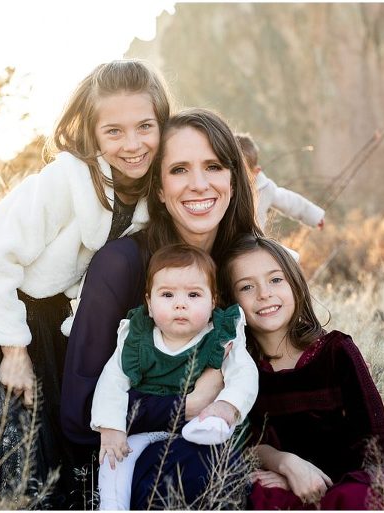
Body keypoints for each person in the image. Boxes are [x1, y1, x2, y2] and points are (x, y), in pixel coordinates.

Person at [0, 59, 172, 509]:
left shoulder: (152, 197)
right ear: (93, 134)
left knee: (48, 443)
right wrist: (13, 351)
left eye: (145, 127)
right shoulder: (67, 178)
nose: (132, 144)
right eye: (113, 131)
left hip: (43, 308)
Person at [61, 108, 263, 509]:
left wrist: (279, 458)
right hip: (129, 464)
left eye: (214, 166)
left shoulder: (250, 266)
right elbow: (79, 411)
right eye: (179, 170)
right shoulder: (121, 266)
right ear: (158, 187)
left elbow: (281, 372)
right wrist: (184, 407)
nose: (199, 184)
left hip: (231, 451)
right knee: (197, 467)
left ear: (234, 179)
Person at [221, 234, 384, 510]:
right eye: (247, 287)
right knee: (256, 496)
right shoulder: (242, 369)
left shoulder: (336, 352)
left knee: (357, 500)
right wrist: (288, 466)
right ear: (232, 302)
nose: (264, 293)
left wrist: (316, 478)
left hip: (353, 478)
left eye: (275, 280)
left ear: (295, 285)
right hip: (285, 480)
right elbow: (246, 442)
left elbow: (375, 442)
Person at [91, 243, 258, 510]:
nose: (180, 304)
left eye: (194, 295)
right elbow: (112, 381)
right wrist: (111, 428)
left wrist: (228, 405)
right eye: (167, 295)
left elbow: (244, 374)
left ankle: (210, 435)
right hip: (146, 434)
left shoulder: (220, 335)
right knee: (116, 459)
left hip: (203, 426)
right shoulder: (137, 338)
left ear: (213, 300)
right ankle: (112, 506)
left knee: (216, 448)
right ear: (149, 302)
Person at [235, 132, 325, 232]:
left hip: (253, 241)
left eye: (242, 172)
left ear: (256, 172)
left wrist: (314, 216)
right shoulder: (222, 188)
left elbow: (289, 202)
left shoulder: (264, 188)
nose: (236, 177)